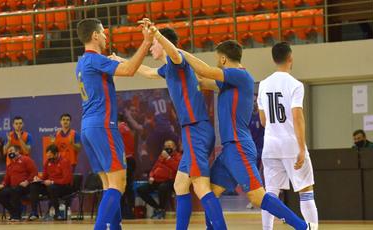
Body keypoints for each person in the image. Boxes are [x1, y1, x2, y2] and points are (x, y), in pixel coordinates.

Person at [181, 40, 317, 230]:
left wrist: (178, 51)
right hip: (229, 149)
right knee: (209, 192)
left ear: (222, 58)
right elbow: (202, 80)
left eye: (217, 60)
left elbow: (204, 71)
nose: (217, 63)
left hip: (238, 146)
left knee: (257, 196)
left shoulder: (240, 75)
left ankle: (303, 227)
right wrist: (174, 63)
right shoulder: (228, 82)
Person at [110, 19, 228, 229]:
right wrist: (122, 60)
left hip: (196, 129)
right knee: (181, 185)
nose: (151, 47)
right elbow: (147, 72)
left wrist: (157, 33)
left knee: (201, 187)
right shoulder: (167, 69)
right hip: (192, 130)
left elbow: (174, 52)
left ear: (162, 42)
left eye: (153, 43)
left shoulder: (177, 60)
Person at [75, 18, 155, 230]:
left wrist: (118, 61)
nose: (105, 36)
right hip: (103, 125)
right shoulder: (94, 59)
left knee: (109, 184)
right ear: (94, 36)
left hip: (88, 127)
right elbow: (129, 70)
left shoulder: (82, 62)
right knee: (119, 184)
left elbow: (121, 68)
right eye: (102, 33)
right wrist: (146, 42)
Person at [257, 42, 318, 230]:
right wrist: (301, 147)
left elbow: (263, 120)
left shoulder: (263, 84)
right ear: (290, 58)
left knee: (270, 194)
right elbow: (297, 116)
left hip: (270, 146)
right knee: (305, 191)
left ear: (274, 59)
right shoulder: (295, 85)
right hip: (291, 144)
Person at [136, 139, 182, 219]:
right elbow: (154, 167)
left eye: (170, 146)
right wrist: (151, 176)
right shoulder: (161, 156)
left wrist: (168, 158)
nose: (167, 147)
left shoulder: (178, 156)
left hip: (170, 181)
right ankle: (158, 208)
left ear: (174, 147)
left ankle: (161, 209)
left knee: (162, 187)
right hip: (157, 180)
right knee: (141, 189)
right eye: (166, 146)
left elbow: (176, 167)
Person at [0, 145, 38, 221]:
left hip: (25, 186)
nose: (10, 153)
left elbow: (34, 172)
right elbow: (6, 179)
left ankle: (17, 215)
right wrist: (2, 184)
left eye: (11, 151)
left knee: (15, 190)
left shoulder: (26, 159)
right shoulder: (10, 165)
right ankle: (13, 213)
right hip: (13, 187)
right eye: (8, 152)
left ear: (17, 152)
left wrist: (27, 181)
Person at [32, 144, 73, 221]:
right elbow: (44, 177)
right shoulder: (47, 162)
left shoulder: (64, 162)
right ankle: (34, 213)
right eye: (48, 156)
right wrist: (37, 178)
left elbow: (66, 180)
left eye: (50, 156)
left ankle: (57, 213)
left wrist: (52, 182)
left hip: (64, 187)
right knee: (34, 186)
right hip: (51, 186)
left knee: (52, 188)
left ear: (57, 154)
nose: (49, 158)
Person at [118, 114, 136, 219]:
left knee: (123, 187)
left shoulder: (120, 129)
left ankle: (126, 212)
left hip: (125, 160)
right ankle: (129, 212)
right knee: (128, 187)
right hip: (130, 159)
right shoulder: (126, 128)